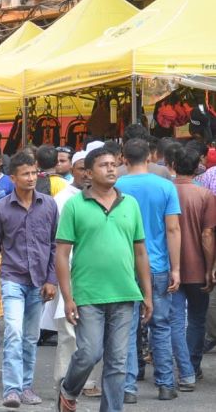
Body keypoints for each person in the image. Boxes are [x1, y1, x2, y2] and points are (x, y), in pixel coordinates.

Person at [56, 147, 153, 412]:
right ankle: (69, 389)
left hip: (124, 293)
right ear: (88, 173)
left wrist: (147, 293)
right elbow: (62, 254)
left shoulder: (130, 204)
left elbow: (140, 251)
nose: (111, 169)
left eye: (113, 164)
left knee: (118, 361)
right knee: (89, 353)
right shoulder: (75, 205)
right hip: (88, 294)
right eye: (103, 165)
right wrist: (68, 297)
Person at [0, 151, 58, 407]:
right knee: (14, 332)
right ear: (13, 178)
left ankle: (26, 386)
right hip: (12, 278)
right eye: (25, 174)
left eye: (33, 173)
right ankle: (12, 389)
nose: (30, 178)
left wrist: (52, 279)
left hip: (39, 281)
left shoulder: (48, 205)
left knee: (30, 337)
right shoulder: (0, 209)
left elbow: (54, 246)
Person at [116, 138, 181, 403]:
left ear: (123, 158)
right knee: (161, 326)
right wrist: (176, 268)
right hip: (158, 265)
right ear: (151, 156)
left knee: (128, 329)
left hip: (125, 266)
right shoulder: (166, 186)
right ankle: (166, 384)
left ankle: (129, 388)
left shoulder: (116, 187)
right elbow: (173, 229)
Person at [49, 151, 102, 397]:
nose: (84, 174)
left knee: (94, 333)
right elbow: (57, 243)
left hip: (97, 275)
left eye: (87, 169)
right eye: (80, 168)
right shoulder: (62, 199)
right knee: (69, 331)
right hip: (68, 273)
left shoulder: (105, 198)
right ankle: (64, 379)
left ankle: (90, 381)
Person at [170, 147, 216, 389]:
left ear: (173, 163)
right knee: (196, 319)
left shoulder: (165, 191)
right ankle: (191, 367)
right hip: (197, 266)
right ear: (198, 165)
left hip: (168, 266)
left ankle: (180, 369)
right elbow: (208, 234)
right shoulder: (205, 195)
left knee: (175, 319)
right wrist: (210, 268)